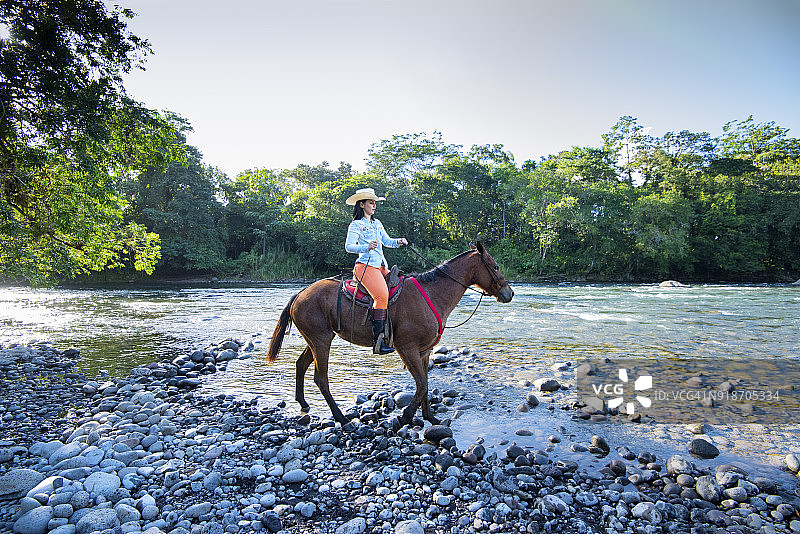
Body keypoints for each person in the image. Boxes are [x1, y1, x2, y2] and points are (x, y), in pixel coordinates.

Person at [345, 188, 408, 354]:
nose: (374, 206)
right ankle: (378, 343)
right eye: (371, 203)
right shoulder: (356, 224)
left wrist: (399, 241)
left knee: (404, 287)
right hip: (365, 266)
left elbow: (387, 242)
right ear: (362, 204)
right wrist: (366, 247)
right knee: (381, 297)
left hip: (380, 266)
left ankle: (400, 332)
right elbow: (348, 247)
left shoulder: (377, 223)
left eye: (374, 203)